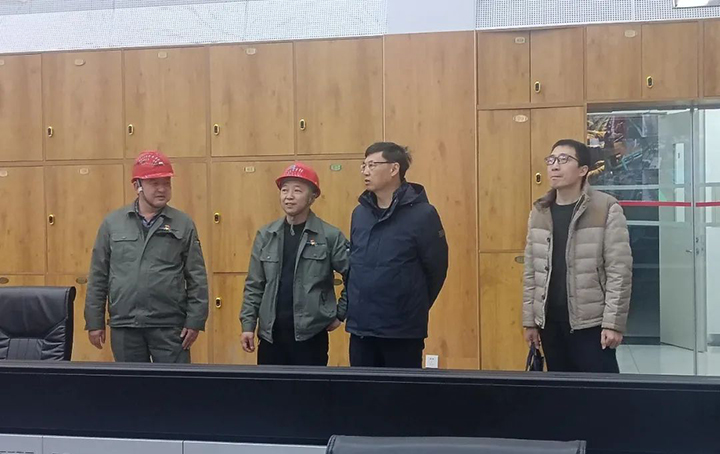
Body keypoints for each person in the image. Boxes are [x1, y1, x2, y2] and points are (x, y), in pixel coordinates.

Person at [85, 150, 209, 363]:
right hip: (125, 325)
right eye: (154, 183)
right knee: (132, 383)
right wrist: (94, 321)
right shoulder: (113, 224)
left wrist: (195, 320)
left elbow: (197, 277)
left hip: (170, 326)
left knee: (174, 383)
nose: (162, 189)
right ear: (137, 186)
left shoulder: (183, 224)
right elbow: (98, 276)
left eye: (166, 183)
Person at [522, 139, 632, 373]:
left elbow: (619, 272)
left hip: (591, 324)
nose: (555, 166)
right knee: (560, 390)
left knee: (600, 392)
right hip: (550, 323)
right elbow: (532, 271)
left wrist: (613, 324)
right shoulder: (540, 211)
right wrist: (530, 321)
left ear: (583, 170)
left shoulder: (606, 208)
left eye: (564, 160)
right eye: (551, 160)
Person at [346, 142, 449, 368]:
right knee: (360, 389)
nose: (365, 171)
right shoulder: (360, 214)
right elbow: (354, 264)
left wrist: (411, 305)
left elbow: (436, 269)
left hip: (402, 330)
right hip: (361, 328)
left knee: (401, 390)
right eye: (363, 165)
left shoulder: (423, 215)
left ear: (394, 169)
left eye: (372, 165)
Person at [240, 162, 349, 366]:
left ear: (312, 196)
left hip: (311, 336)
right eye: (284, 190)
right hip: (271, 336)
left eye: (297, 190)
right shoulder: (266, 235)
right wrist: (248, 325)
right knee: (269, 387)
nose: (289, 196)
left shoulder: (329, 236)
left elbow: (354, 276)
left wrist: (340, 313)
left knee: (309, 387)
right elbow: (254, 284)